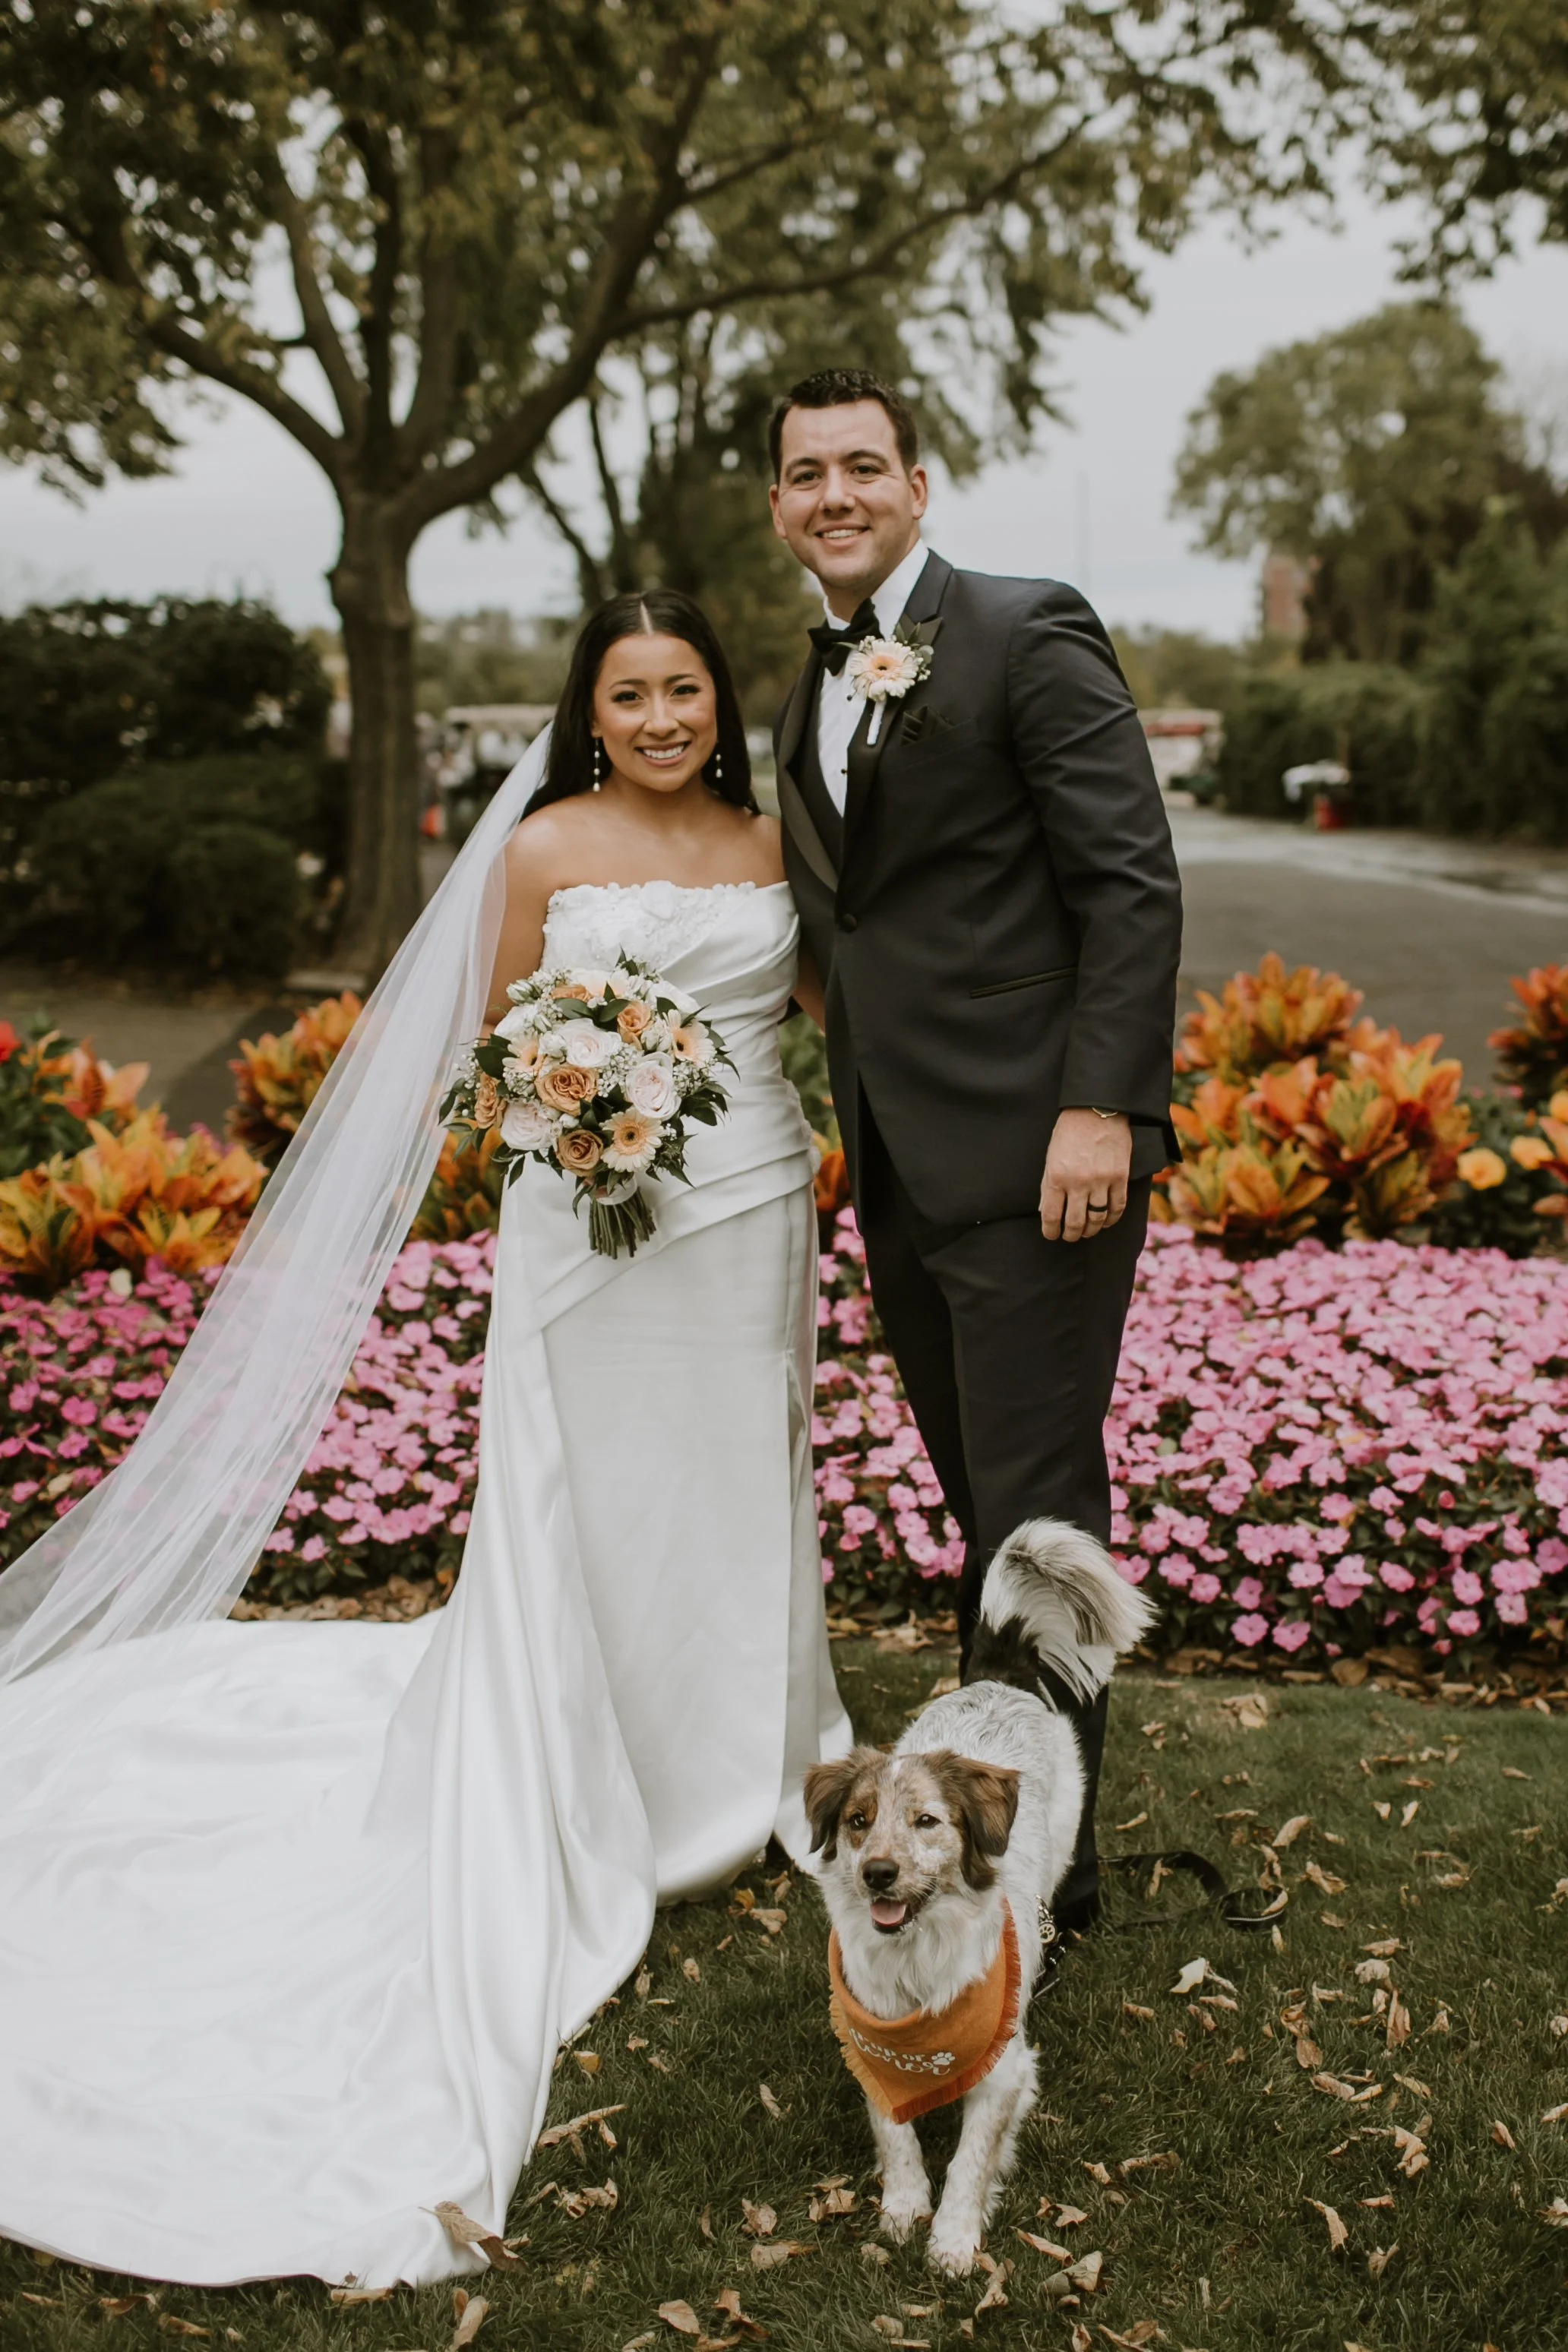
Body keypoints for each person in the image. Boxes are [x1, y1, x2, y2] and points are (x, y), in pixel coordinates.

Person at [0, 589, 849, 2288]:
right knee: (587, 1494)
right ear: (588, 711)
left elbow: (823, 1016)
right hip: (586, 1227)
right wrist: (584, 1108)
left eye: (687, 688)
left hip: (746, 1206)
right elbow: (489, 1046)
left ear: (718, 705)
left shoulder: (777, 846)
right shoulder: (541, 846)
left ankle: (741, 1757)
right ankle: (582, 1762)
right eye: (632, 693)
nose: (664, 715)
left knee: (731, 1491)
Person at [769, 368, 1182, 1933]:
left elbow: (1129, 880)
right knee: (991, 1515)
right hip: (902, 1155)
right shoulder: (801, 685)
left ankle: (1033, 1898)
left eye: (862, 465)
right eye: (806, 473)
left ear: (919, 484)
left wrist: (1101, 1107)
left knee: (1040, 1531)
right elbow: (856, 915)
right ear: (779, 505)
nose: (835, 495)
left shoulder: (1024, 626)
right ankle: (996, 1834)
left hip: (1036, 1153)